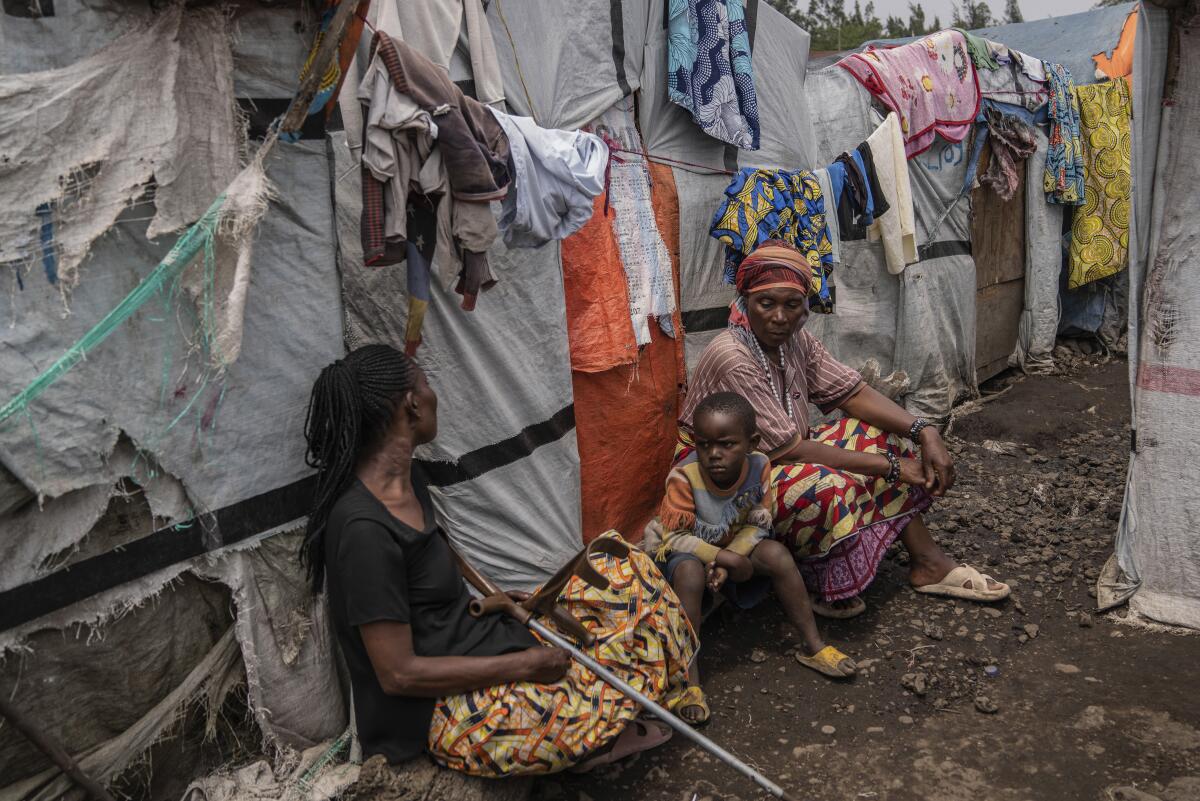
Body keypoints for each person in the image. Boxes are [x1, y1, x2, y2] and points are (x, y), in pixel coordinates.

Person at [300, 344, 696, 776]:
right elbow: (399, 675)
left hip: (479, 641)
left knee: (627, 570)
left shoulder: (408, 479)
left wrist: (501, 599)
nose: (434, 395)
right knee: (570, 691)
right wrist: (524, 664)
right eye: (427, 385)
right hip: (435, 709)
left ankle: (611, 716)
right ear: (412, 405)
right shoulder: (364, 531)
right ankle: (597, 737)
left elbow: (430, 585)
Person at [678, 240, 1009, 618]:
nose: (779, 317)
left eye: (791, 304)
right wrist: (894, 467)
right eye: (766, 303)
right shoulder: (732, 356)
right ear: (745, 301)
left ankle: (928, 562)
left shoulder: (795, 342)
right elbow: (789, 450)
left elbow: (852, 394)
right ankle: (825, 581)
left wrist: (924, 431)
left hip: (773, 463)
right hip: (721, 487)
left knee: (879, 436)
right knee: (830, 486)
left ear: (806, 306)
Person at [644, 391, 856, 725]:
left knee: (777, 554)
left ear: (753, 442)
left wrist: (734, 559)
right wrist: (721, 558)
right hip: (688, 552)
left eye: (727, 444)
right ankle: (687, 681)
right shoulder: (684, 477)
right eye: (704, 445)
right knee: (690, 575)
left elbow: (760, 521)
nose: (714, 454)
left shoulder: (760, 465)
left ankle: (813, 646)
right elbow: (675, 537)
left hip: (734, 546)